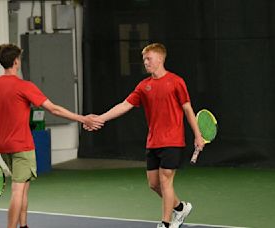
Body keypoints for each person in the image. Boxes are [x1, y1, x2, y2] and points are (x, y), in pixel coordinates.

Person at [84, 43, 205, 228]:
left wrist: (197, 135)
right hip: (153, 141)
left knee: (165, 180)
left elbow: (188, 109)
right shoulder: (143, 86)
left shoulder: (176, 81)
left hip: (173, 140)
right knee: (154, 184)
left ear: (160, 59)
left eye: (148, 58)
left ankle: (165, 223)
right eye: (144, 59)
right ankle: (180, 208)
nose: (145, 62)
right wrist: (101, 118)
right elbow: (124, 105)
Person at [0, 43, 103, 228]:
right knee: (17, 190)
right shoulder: (24, 86)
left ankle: (23, 225)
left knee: (23, 189)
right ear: (16, 62)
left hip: (4, 148)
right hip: (22, 146)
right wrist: (82, 118)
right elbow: (53, 109)